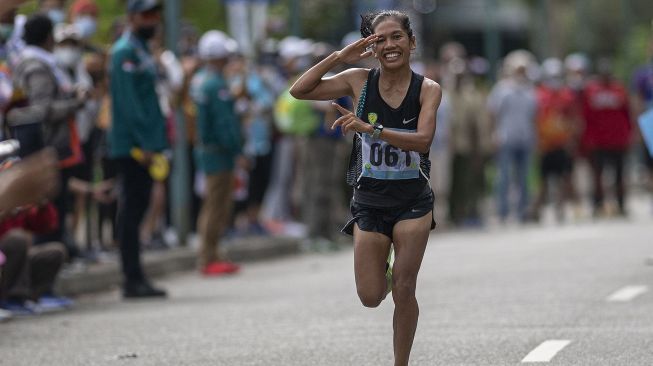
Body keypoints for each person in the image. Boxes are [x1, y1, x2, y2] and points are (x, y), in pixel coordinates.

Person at [289, 10, 441, 366]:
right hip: (370, 200)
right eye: (380, 39)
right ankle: (385, 267)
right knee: (372, 296)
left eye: (396, 37)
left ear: (411, 42)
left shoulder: (428, 89)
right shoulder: (358, 80)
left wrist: (370, 129)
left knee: (404, 288)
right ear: (371, 47)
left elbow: (422, 141)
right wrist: (340, 57)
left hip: (412, 200)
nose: (389, 45)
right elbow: (299, 90)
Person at [109, 0, 168, 298]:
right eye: (147, 15)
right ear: (131, 17)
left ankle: (136, 274)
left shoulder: (142, 49)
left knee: (138, 208)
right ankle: (131, 278)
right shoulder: (124, 52)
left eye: (156, 14)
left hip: (145, 143)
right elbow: (129, 104)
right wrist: (144, 144)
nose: (153, 20)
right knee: (131, 211)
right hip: (132, 146)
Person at [190, 30, 241, 276]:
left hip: (206, 150)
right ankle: (208, 257)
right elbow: (224, 124)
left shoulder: (201, 80)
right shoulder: (216, 85)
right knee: (216, 206)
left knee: (212, 204)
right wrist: (237, 148)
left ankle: (212, 254)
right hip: (219, 153)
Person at [487, 50, 538, 223]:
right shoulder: (502, 90)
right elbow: (493, 113)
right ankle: (502, 212)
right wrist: (493, 133)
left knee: (524, 177)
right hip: (506, 138)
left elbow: (533, 116)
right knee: (504, 177)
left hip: (525, 138)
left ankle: (523, 211)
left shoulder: (530, 91)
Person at [583, 58, 632, 217]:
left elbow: (627, 113)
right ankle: (598, 205)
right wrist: (587, 137)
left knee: (619, 175)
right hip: (598, 140)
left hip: (618, 139)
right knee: (598, 175)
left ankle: (621, 204)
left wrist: (630, 134)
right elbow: (586, 115)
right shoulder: (591, 90)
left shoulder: (619, 89)